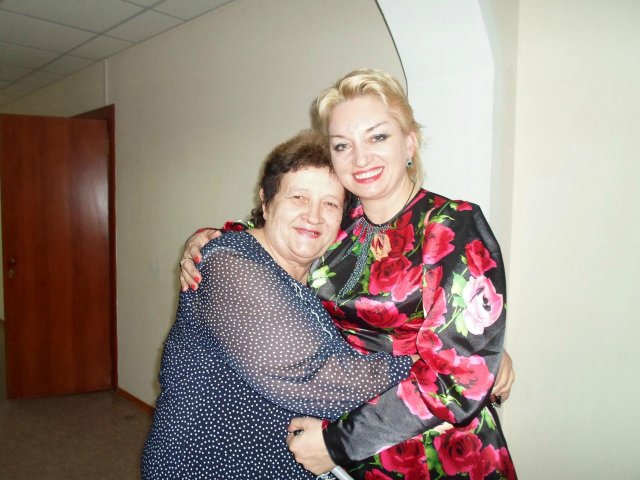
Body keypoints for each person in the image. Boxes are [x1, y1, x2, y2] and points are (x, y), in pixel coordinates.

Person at [181, 69, 517, 479]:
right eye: (343, 145)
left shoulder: (451, 225)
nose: (360, 159)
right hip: (342, 435)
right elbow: (271, 239)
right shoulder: (340, 219)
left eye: (378, 137)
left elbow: (460, 377)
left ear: (409, 143)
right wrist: (207, 239)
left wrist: (338, 444)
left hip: (432, 446)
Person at [141, 130, 415, 480]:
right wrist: (440, 365)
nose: (314, 215)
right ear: (266, 202)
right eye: (299, 197)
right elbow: (313, 377)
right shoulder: (229, 265)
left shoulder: (327, 276)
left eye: (330, 204)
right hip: (204, 466)